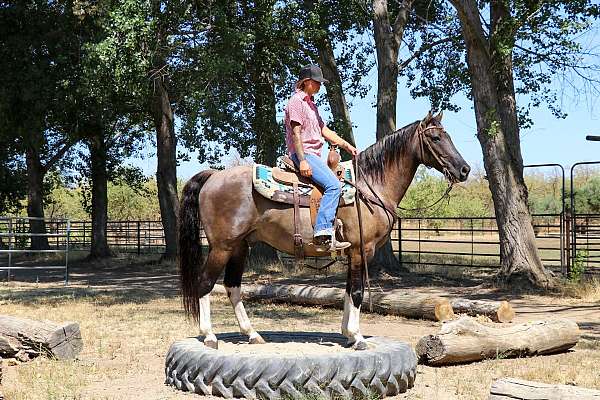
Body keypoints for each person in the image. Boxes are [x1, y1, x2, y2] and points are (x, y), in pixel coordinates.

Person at [284, 64, 358, 251]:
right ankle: (322, 232)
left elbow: (324, 130)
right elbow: (296, 134)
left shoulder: (311, 105)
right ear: (307, 82)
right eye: (317, 82)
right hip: (305, 154)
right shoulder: (296, 102)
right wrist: (302, 160)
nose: (320, 86)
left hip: (314, 155)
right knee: (334, 185)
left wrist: (346, 145)